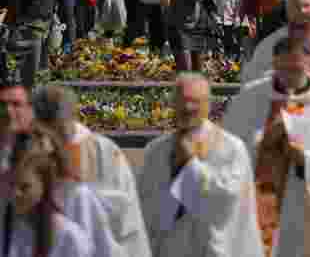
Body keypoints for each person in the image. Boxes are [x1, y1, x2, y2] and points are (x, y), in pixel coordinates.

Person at [222, 35, 310, 257]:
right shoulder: (250, 98)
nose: (290, 76)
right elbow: (228, 152)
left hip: (305, 206)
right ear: (275, 63)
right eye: (285, 69)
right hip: (257, 202)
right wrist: (265, 141)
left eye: (297, 69)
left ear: (309, 64)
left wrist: (303, 158)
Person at [137, 73, 263, 257]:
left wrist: (190, 166)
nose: (188, 108)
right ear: (173, 104)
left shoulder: (232, 148)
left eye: (195, 101)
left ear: (208, 104)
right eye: (182, 101)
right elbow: (144, 207)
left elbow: (228, 198)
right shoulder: (156, 150)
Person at [32, 85, 151, 257]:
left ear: (72, 117)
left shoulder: (104, 151)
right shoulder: (31, 148)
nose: (52, 138)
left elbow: (124, 210)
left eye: (58, 127)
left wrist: (77, 194)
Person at [1, 151, 96, 257]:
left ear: (44, 187)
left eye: (25, 187)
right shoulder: (11, 231)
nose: (15, 194)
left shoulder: (70, 237)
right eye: (11, 185)